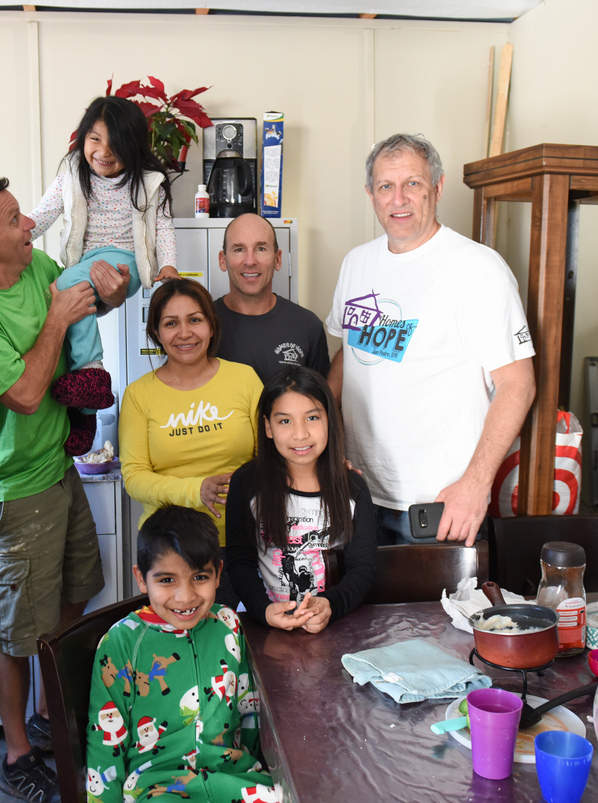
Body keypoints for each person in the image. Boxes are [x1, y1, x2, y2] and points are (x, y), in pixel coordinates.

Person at [0, 175, 123, 803]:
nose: (29, 226)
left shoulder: (38, 266)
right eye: (15, 219)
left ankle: (45, 715)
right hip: (9, 493)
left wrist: (108, 292)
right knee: (14, 635)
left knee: (75, 596)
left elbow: (84, 309)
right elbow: (23, 394)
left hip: (58, 470)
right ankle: (17, 755)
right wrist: (58, 320)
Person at [326, 133, 536, 547]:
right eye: (386, 186)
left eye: (413, 184)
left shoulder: (478, 270)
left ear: (437, 188)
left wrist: (475, 485)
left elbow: (519, 384)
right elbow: (348, 354)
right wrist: (322, 437)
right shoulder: (356, 263)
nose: (398, 199)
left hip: (439, 505)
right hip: (358, 493)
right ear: (371, 194)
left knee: (438, 596)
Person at [85, 505, 280, 803]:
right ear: (141, 578)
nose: (185, 597)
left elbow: (247, 706)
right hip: (157, 789)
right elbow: (104, 742)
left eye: (200, 577)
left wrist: (258, 767)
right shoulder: (120, 642)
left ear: (218, 574)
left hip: (235, 778)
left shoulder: (228, 624)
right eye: (166, 580)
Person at [29, 96, 180, 455]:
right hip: (85, 263)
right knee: (66, 310)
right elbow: (42, 215)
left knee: (65, 286)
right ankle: (84, 415)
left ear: (134, 145)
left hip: (125, 262)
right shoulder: (72, 173)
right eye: (95, 139)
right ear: (83, 138)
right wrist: (12, 231)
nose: (103, 151)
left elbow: (163, 227)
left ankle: (93, 371)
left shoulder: (148, 182)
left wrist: (169, 265)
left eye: (116, 143)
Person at [119, 279, 262, 608]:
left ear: (211, 326)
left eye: (195, 320)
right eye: (171, 323)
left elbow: (271, 454)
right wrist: (197, 490)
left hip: (242, 540)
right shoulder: (139, 395)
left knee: (244, 635)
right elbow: (135, 478)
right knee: (180, 638)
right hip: (169, 547)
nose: (184, 333)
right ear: (157, 333)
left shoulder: (244, 379)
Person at [226, 366, 378, 633]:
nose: (300, 434)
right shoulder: (247, 483)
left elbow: (363, 568)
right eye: (285, 421)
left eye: (312, 418)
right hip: (264, 624)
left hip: (333, 624)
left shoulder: (353, 487)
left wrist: (330, 605)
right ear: (268, 427)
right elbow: (240, 562)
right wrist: (264, 610)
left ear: (330, 419)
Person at [213, 213, 330, 384]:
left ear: (278, 259)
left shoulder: (308, 326)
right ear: (223, 260)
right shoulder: (203, 325)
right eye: (239, 249)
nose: (250, 261)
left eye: (261, 249)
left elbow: (319, 398)